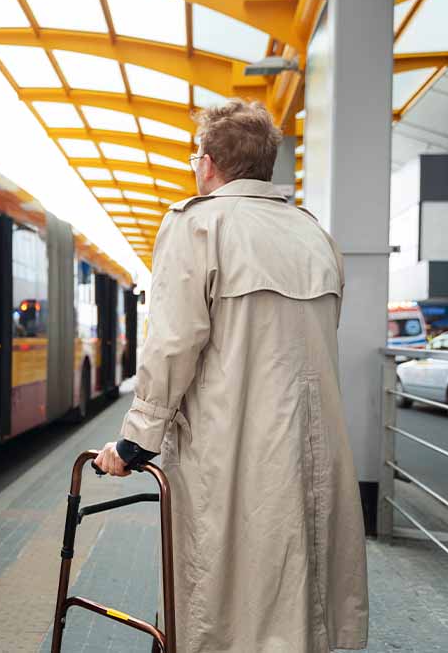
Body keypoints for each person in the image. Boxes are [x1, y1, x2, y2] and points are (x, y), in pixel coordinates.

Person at [94, 99, 368, 652]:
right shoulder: (314, 235)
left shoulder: (198, 224)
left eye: (198, 157)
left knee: (217, 600)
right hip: (313, 451)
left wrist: (133, 443)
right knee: (299, 589)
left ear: (209, 163)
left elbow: (173, 344)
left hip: (230, 445)